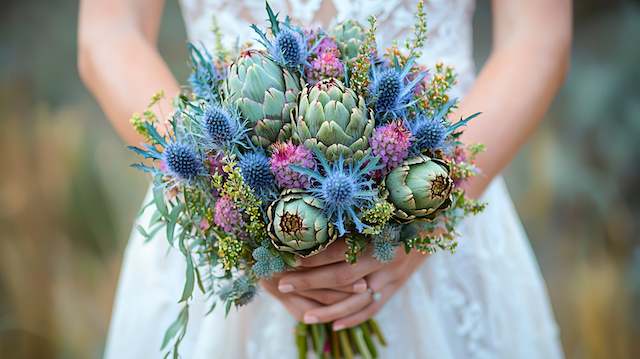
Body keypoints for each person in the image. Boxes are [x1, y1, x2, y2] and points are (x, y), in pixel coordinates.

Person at [78, 0, 572, 357]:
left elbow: (536, 35)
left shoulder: (436, 201)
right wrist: (217, 191)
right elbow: (110, 31)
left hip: (443, 202)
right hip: (220, 211)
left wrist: (433, 211)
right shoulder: (220, 189)